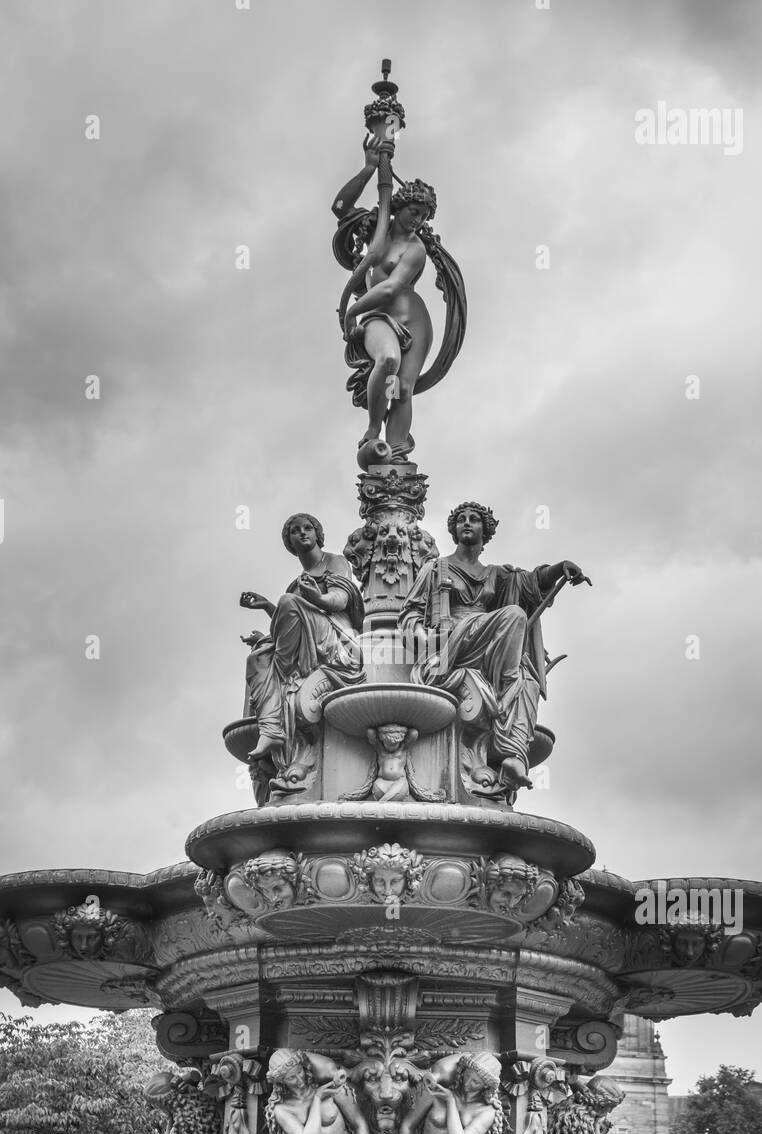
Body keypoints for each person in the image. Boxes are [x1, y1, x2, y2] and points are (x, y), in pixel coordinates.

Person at [400, 501, 587, 788]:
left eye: (474, 519)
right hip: (452, 642)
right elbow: (410, 614)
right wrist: (426, 641)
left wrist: (560, 568)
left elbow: (531, 584)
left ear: (485, 532)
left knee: (530, 684)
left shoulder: (497, 575)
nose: (466, 523)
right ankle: (507, 682)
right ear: (453, 530)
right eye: (461, 519)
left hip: (486, 643)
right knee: (514, 615)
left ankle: (513, 756)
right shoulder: (435, 569)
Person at [332, 135, 436, 456]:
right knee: (388, 359)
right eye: (414, 211)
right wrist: (369, 169)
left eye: (424, 216)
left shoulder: (415, 249)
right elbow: (339, 207)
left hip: (414, 322)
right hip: (380, 318)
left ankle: (394, 457)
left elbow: (390, 288)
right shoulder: (376, 227)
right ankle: (373, 427)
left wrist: (350, 312)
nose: (417, 220)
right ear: (401, 206)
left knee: (402, 390)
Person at [239, 513, 364, 762]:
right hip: (309, 639)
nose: (303, 533)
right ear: (290, 543)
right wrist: (267, 608)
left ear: (318, 535)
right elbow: (290, 626)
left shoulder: (335, 562)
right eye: (296, 531)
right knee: (257, 658)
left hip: (336, 637)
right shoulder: (294, 586)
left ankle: (286, 677)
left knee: (281, 620)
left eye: (308, 528)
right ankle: (271, 728)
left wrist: (317, 598)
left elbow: (340, 600)